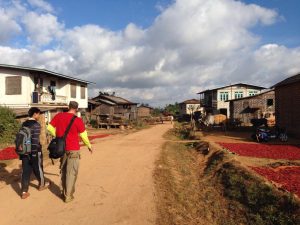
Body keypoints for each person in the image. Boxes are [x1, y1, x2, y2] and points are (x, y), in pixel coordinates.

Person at [47, 101, 92, 203]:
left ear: (68, 107)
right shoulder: (78, 120)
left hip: (62, 149)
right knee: (71, 173)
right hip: (73, 149)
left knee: (63, 171)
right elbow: (83, 135)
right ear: (76, 109)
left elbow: (49, 127)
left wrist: (58, 136)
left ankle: (63, 192)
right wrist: (89, 146)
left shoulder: (59, 116)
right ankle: (68, 196)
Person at [20, 107, 50, 199]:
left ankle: (24, 191)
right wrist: (33, 154)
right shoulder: (36, 125)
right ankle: (42, 184)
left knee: (25, 171)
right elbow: (35, 140)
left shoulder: (23, 123)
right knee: (38, 168)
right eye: (39, 114)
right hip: (34, 151)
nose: (39, 115)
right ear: (35, 114)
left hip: (24, 151)